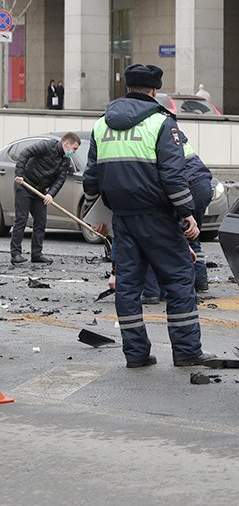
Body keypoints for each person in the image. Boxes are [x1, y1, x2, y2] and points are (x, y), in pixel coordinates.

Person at [82, 63, 215, 369]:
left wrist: (93, 212)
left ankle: (137, 354)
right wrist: (187, 214)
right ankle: (186, 351)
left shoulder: (101, 124)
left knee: (128, 287)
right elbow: (173, 176)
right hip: (158, 218)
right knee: (181, 278)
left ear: (127, 88)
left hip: (123, 219)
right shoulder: (161, 123)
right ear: (154, 90)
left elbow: (91, 179)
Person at [143, 133, 213, 304]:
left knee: (168, 238)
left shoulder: (155, 141)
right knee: (192, 236)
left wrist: (183, 211)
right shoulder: (176, 138)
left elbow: (170, 177)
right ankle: (199, 282)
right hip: (203, 184)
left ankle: (162, 290)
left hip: (185, 188)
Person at [10, 132, 81, 265]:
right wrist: (19, 174)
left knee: (41, 221)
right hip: (25, 184)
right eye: (74, 149)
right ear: (66, 143)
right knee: (21, 219)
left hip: (40, 191)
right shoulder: (47, 146)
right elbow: (26, 153)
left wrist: (50, 194)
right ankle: (16, 254)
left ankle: (36, 254)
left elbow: (60, 180)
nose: (74, 152)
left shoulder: (65, 160)